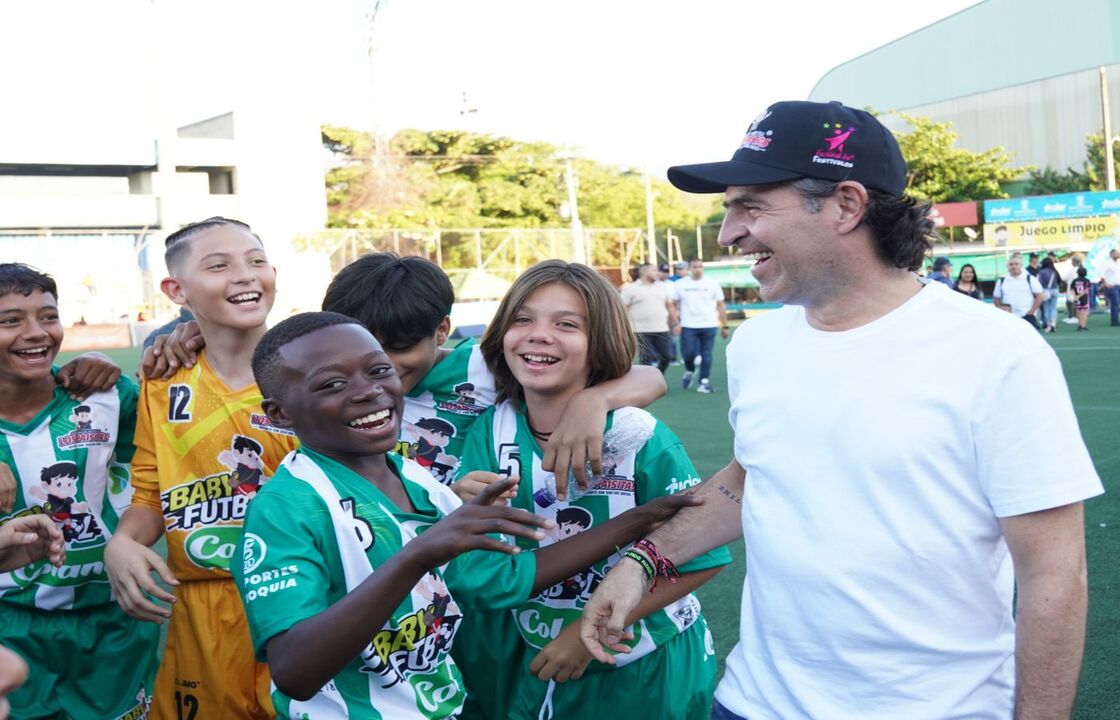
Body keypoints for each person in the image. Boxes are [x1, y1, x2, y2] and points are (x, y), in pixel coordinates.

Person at [581, 100, 1102, 719]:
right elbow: (751, 483)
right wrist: (643, 560)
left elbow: (1053, 575)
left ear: (846, 206)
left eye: (750, 206)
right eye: (729, 209)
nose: (728, 233)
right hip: (754, 703)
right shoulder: (756, 346)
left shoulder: (996, 352)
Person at [231, 312, 696, 718]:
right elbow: (295, 671)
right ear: (280, 414)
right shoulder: (286, 509)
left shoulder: (415, 478)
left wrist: (634, 523)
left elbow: (498, 579)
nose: (368, 392)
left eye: (379, 371)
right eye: (332, 385)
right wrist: (417, 556)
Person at [317, 251, 668, 720]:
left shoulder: (483, 370)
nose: (377, 371)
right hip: (388, 589)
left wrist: (594, 399)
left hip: (491, 591)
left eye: (396, 350)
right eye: (360, 352)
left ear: (441, 331)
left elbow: (648, 376)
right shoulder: (328, 386)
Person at [459, 260, 730, 719]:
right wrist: (460, 499)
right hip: (537, 648)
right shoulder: (489, 430)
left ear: (600, 344)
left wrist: (593, 626)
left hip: (646, 663)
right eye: (522, 319)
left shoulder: (638, 434)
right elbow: (477, 563)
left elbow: (701, 558)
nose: (539, 334)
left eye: (566, 324)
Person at [103, 217, 297, 720]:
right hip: (199, 617)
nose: (245, 275)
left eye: (256, 261)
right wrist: (122, 542)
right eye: (219, 266)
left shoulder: (312, 372)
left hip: (300, 603)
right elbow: (150, 490)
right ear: (176, 289)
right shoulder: (162, 380)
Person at [0, 263, 152, 720]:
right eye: (11, 320)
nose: (36, 332)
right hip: (9, 626)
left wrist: (176, 340)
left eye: (48, 316)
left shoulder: (103, 395)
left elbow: (167, 455)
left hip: (112, 622)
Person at [672, 258, 730, 393]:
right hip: (688, 325)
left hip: (709, 324)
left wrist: (725, 325)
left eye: (700, 266)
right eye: (694, 267)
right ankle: (690, 370)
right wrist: (675, 322)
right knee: (688, 354)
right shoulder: (680, 284)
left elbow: (720, 304)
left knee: (706, 353)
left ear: (703, 268)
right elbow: (672, 304)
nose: (697, 269)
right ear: (689, 269)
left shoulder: (712, 283)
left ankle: (704, 382)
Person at [619, 264, 677, 373]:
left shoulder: (663, 287)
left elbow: (670, 306)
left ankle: (658, 375)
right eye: (654, 270)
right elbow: (623, 309)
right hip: (640, 330)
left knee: (667, 356)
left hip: (661, 328)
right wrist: (623, 327)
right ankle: (648, 384)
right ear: (644, 272)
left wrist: (676, 323)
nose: (657, 273)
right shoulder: (631, 289)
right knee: (646, 359)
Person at [993, 255, 1044, 329]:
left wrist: (1032, 311)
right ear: (1007, 266)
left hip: (1027, 316)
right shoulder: (1001, 281)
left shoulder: (1030, 278)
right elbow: (996, 298)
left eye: (1016, 264)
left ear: (1021, 266)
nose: (1014, 266)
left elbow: (1040, 295)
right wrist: (1001, 309)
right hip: (1008, 317)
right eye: (1011, 264)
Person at [1098, 248, 1120, 327]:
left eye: (1118, 253)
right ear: (1111, 255)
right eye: (1116, 253)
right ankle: (1114, 320)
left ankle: (1115, 319)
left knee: (1117, 303)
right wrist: (1105, 283)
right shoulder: (1107, 263)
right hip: (1112, 286)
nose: (1118, 255)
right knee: (1115, 303)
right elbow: (1101, 273)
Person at [1036, 256, 1062, 332]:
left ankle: (1048, 325)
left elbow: (1038, 283)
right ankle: (1053, 323)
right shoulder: (1054, 271)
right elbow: (1059, 281)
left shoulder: (1041, 272)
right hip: (1055, 290)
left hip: (1045, 290)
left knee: (1046, 308)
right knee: (1053, 308)